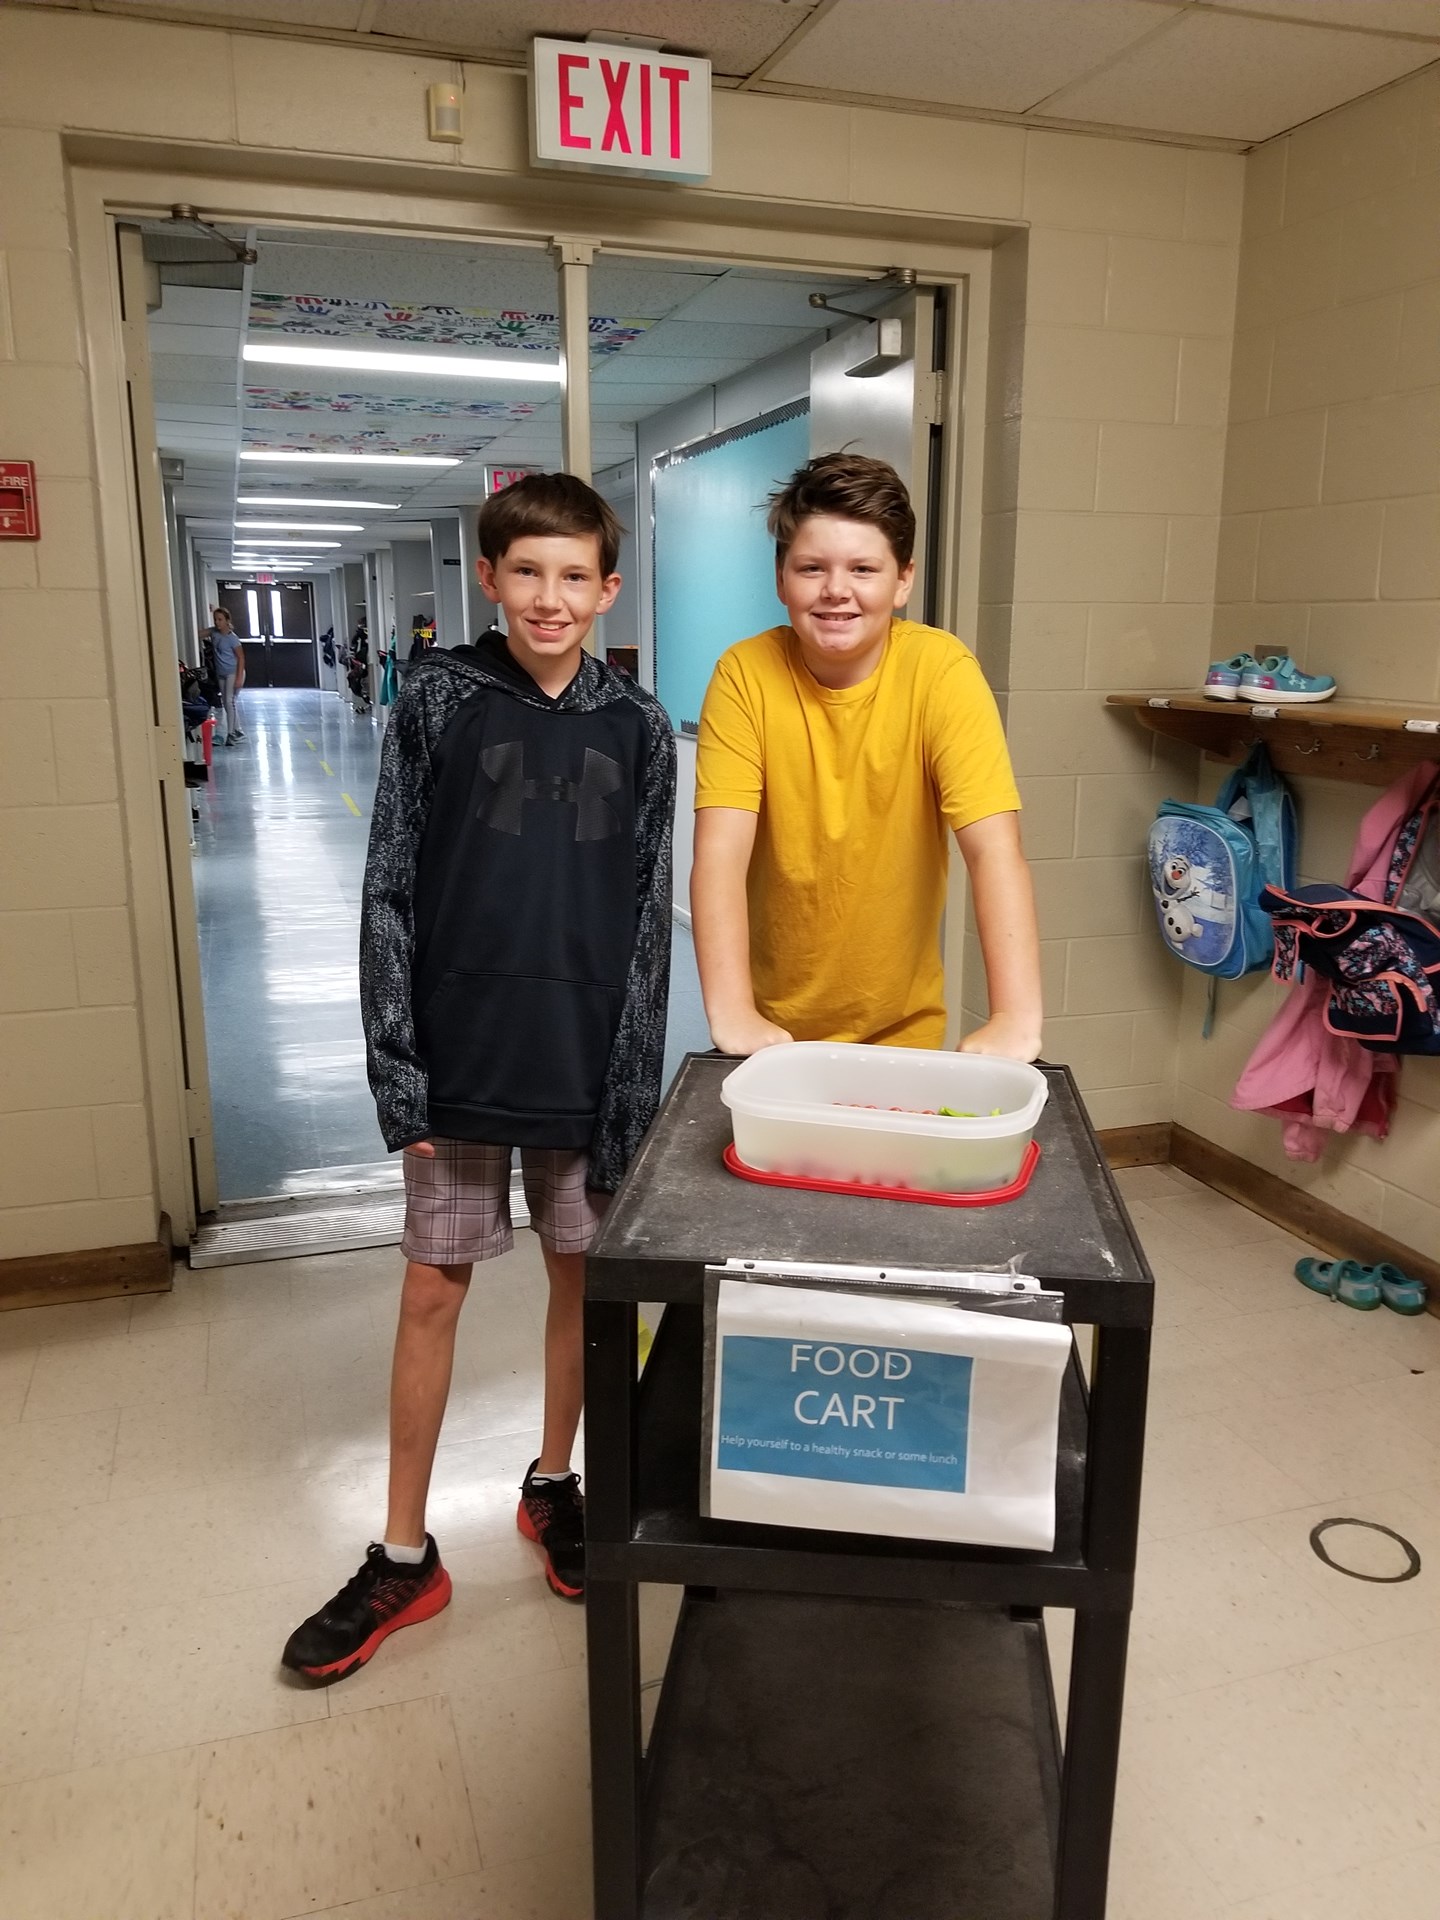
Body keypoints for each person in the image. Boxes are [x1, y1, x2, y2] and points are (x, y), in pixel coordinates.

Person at [281, 473, 675, 1682]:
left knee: (582, 1283)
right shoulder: (441, 699)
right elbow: (389, 888)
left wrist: (631, 1090)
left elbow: (650, 918)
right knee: (434, 1296)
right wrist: (399, 1075)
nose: (549, 599)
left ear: (608, 590)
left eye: (575, 578)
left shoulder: (641, 726)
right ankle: (404, 1552)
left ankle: (554, 1486)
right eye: (526, 573)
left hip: (583, 1060)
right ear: (490, 577)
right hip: (459, 1062)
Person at [692, 451, 1042, 1064]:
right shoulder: (744, 674)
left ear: (903, 579)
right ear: (780, 578)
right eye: (811, 567)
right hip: (768, 1032)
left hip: (900, 1030)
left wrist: (1015, 1015)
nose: (836, 590)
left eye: (863, 568)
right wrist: (732, 1011)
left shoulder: (942, 673)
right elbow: (719, 857)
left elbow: (993, 849)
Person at [204, 607, 245, 745]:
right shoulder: (214, 633)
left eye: (220, 619)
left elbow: (241, 658)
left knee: (229, 701)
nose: (217, 622)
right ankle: (238, 730)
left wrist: (239, 678)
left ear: (227, 621)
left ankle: (231, 734)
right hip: (221, 673)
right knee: (228, 703)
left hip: (233, 672)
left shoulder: (232, 639)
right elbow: (199, 633)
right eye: (215, 619)